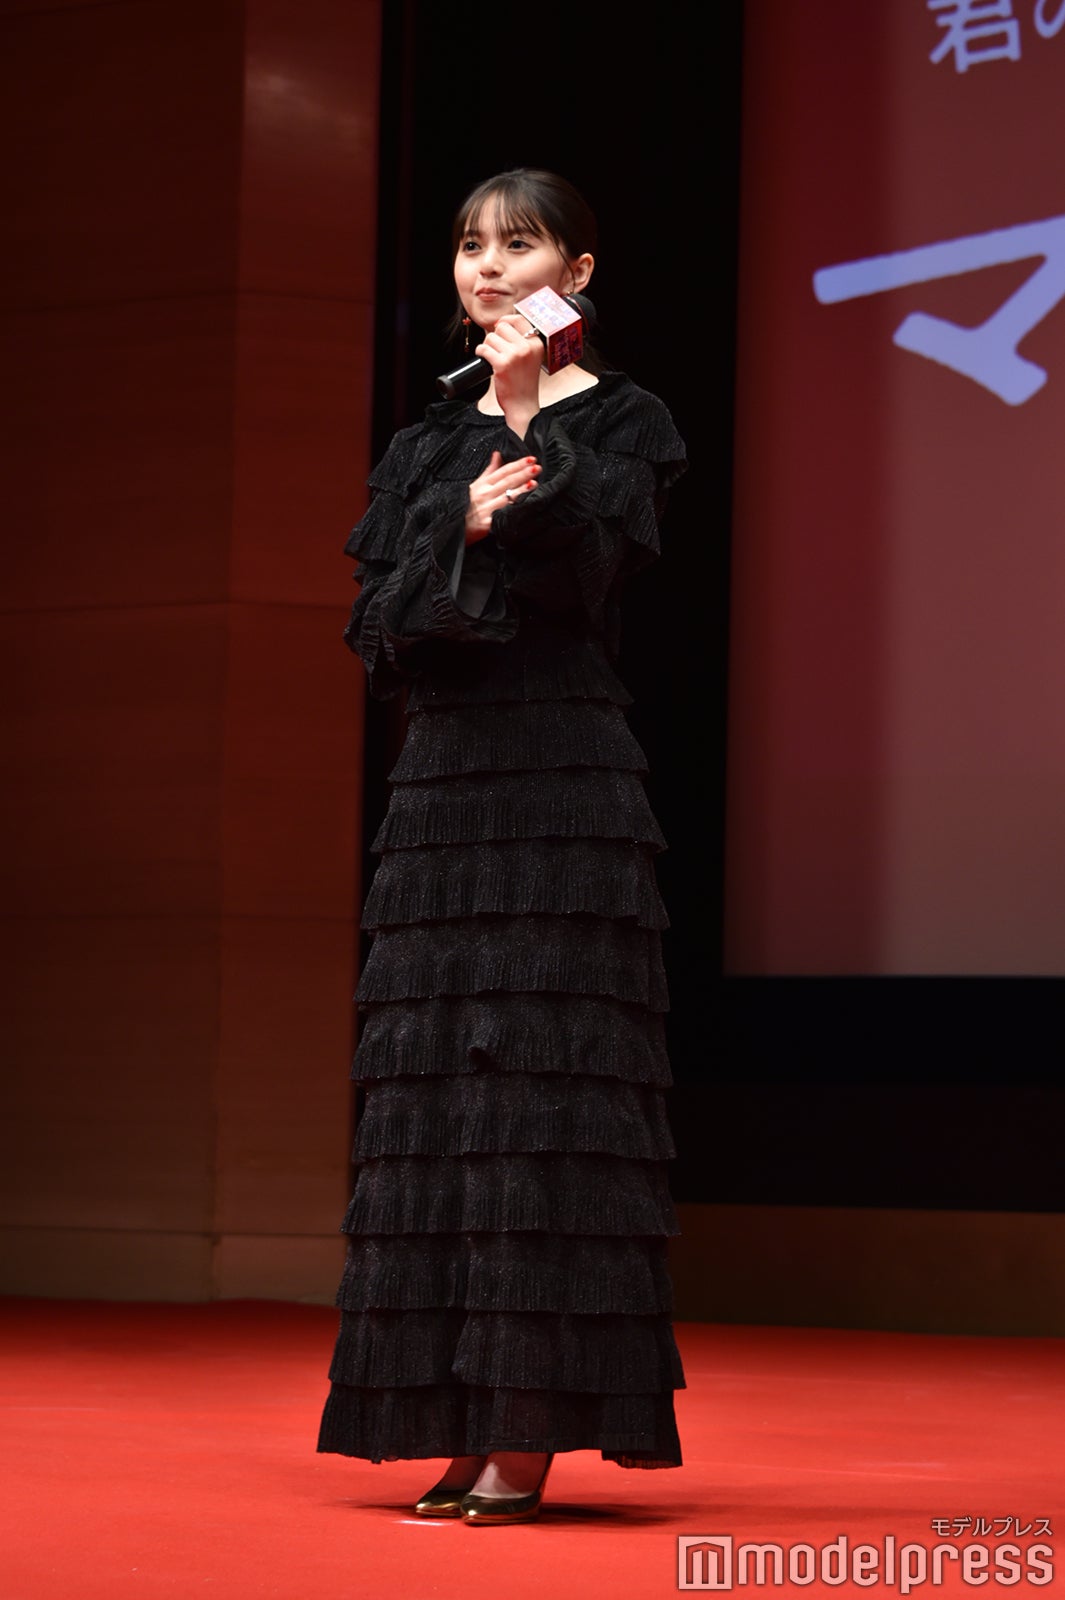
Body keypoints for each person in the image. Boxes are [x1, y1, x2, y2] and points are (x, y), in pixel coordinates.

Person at [317, 168, 688, 1526]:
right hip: (440, 793)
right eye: (471, 245)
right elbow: (376, 629)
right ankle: (449, 1416)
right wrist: (461, 517)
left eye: (518, 244)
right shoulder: (427, 439)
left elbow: (584, 576)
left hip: (562, 781)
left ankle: (524, 1431)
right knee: (430, 1109)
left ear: (574, 270)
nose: (487, 265)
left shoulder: (626, 417)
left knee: (540, 1103)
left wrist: (528, 417)